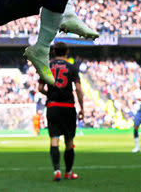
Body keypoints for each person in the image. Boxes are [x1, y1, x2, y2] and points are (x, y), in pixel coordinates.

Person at [38, 42, 84, 181]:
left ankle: (56, 170)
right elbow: (78, 89)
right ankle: (69, 172)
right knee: (69, 141)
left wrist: (50, 94)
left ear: (53, 52)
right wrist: (82, 108)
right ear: (67, 51)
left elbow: (40, 88)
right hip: (68, 107)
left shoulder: (47, 66)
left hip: (53, 106)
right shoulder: (72, 67)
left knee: (54, 139)